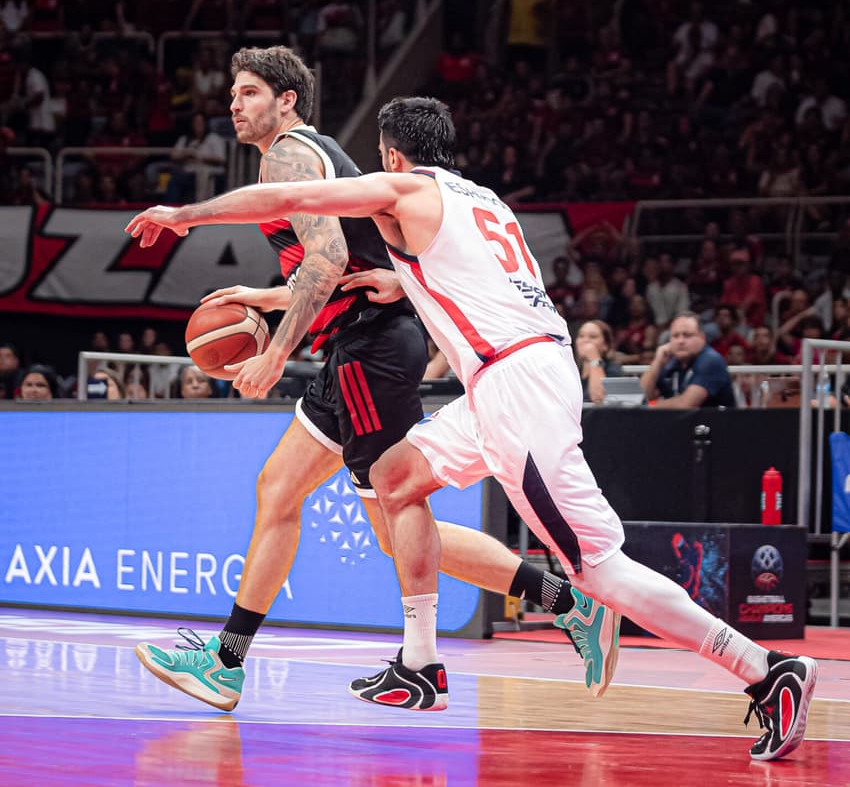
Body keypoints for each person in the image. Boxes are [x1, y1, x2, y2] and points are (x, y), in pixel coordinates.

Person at [127, 96, 817, 762]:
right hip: (504, 379)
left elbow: (286, 202)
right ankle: (420, 665)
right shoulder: (481, 199)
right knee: (393, 479)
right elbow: (446, 276)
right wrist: (386, 285)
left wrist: (186, 213)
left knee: (601, 568)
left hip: (516, 388)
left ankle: (765, 670)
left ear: (392, 153)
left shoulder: (404, 191)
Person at [128, 48, 617, 713]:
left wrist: (274, 354)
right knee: (280, 490)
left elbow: (328, 265)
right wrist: (265, 297)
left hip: (370, 352)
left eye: (247, 93)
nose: (234, 105)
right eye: (233, 95)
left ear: (287, 101)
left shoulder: (290, 155)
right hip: (363, 346)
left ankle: (565, 605)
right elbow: (353, 263)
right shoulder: (319, 154)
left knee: (393, 523)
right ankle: (226, 661)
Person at [640, 312, 737, 409]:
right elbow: (641, 397)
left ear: (702, 338)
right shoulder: (672, 361)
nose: (680, 341)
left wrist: (650, 406)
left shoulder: (711, 360)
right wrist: (657, 361)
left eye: (687, 335)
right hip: (683, 422)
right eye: (675, 336)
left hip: (714, 423)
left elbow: (686, 404)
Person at [574, 320, 623, 404]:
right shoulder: (573, 371)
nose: (585, 340)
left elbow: (598, 398)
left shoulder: (613, 369)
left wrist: (594, 359)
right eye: (581, 336)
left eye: (593, 337)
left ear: (605, 345)